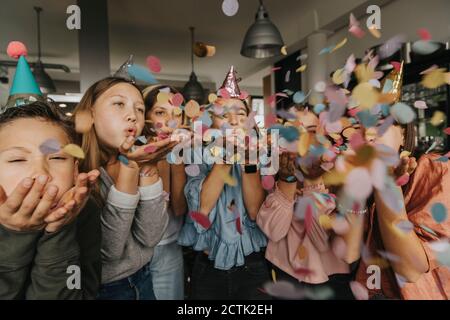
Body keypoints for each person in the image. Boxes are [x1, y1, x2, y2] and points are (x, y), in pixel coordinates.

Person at [73, 77, 174, 300]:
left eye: (139, 109)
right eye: (119, 104)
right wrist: (131, 169)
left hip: (143, 279)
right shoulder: (76, 172)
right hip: (104, 291)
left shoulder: (139, 157)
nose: (133, 115)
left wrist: (148, 166)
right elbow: (109, 252)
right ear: (89, 115)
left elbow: (150, 236)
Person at [178, 66, 270, 300]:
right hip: (208, 266)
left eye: (241, 113)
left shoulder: (261, 156)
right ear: (211, 122)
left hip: (253, 265)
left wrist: (249, 160)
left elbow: (253, 211)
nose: (233, 120)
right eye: (223, 114)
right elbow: (202, 210)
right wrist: (226, 157)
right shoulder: (195, 153)